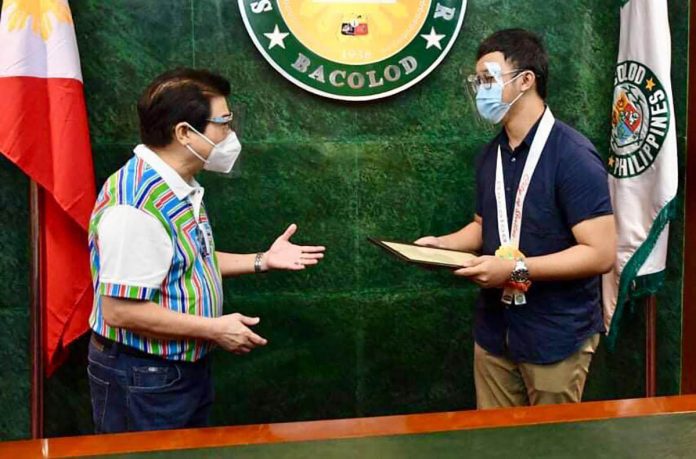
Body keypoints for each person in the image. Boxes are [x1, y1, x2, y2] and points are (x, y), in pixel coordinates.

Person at [86, 68, 325, 433]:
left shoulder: (179, 185)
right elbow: (119, 310)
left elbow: (189, 262)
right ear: (184, 133)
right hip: (144, 376)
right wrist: (213, 329)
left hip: (177, 372)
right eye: (223, 124)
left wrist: (262, 260)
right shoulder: (136, 207)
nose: (230, 136)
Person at [416, 29, 616, 409]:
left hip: (554, 334)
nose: (480, 91)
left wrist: (513, 271)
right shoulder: (490, 156)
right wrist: (441, 246)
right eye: (477, 82)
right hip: (495, 333)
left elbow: (600, 254)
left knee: (551, 446)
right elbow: (481, 226)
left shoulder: (572, 155)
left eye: (489, 79)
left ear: (526, 80)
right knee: (494, 444)